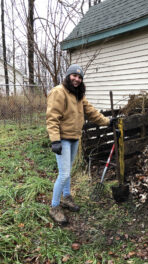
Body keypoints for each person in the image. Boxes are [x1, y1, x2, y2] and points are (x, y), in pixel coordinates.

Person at [46, 64, 115, 225]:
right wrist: (55, 140)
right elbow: (52, 117)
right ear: (68, 76)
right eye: (74, 76)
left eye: (79, 77)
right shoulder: (58, 92)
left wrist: (107, 122)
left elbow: (91, 112)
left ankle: (67, 197)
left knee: (68, 172)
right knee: (64, 174)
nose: (76, 79)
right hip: (62, 139)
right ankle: (54, 206)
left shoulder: (79, 95)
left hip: (74, 138)